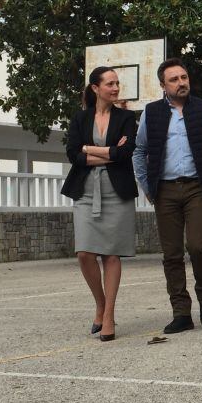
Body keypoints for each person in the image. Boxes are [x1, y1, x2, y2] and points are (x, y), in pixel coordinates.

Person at [133, 58, 202, 334]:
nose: (181, 83)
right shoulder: (151, 113)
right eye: (174, 79)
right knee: (172, 253)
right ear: (163, 85)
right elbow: (139, 151)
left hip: (197, 187)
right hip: (164, 190)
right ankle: (181, 312)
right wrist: (146, 185)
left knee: (198, 245)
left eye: (184, 77)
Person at [60, 66, 139, 341]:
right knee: (84, 253)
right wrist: (108, 153)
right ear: (95, 88)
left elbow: (126, 153)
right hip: (85, 190)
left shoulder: (127, 118)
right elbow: (73, 154)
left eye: (117, 83)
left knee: (111, 254)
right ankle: (100, 303)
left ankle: (109, 316)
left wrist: (88, 148)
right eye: (110, 83)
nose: (116, 88)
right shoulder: (80, 119)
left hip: (116, 191)